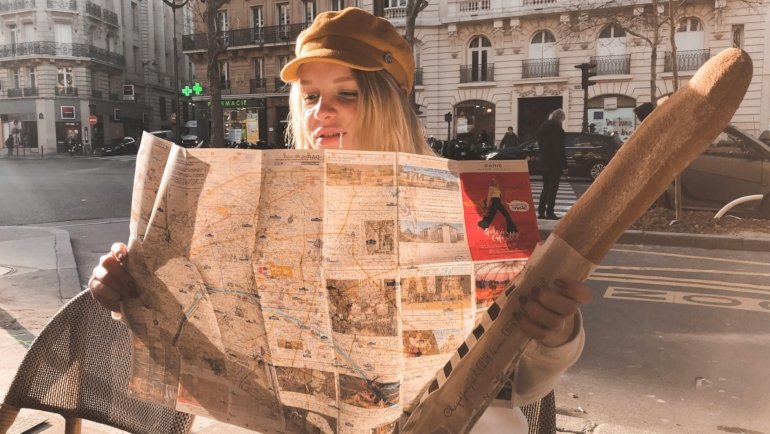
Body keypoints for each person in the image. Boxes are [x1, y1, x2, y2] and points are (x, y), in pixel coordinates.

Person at [87, 8, 591, 433]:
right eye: (309, 96)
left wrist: (556, 332)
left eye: (345, 93)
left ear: (389, 103)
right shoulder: (255, 205)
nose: (319, 113)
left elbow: (520, 383)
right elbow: (207, 338)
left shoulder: (474, 204)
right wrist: (130, 291)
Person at [536, 109, 567, 220]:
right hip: (555, 163)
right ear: (560, 118)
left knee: (545, 187)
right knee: (553, 188)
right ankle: (550, 212)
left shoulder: (542, 129)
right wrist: (564, 165)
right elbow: (559, 149)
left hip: (544, 162)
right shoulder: (557, 130)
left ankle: (541, 211)